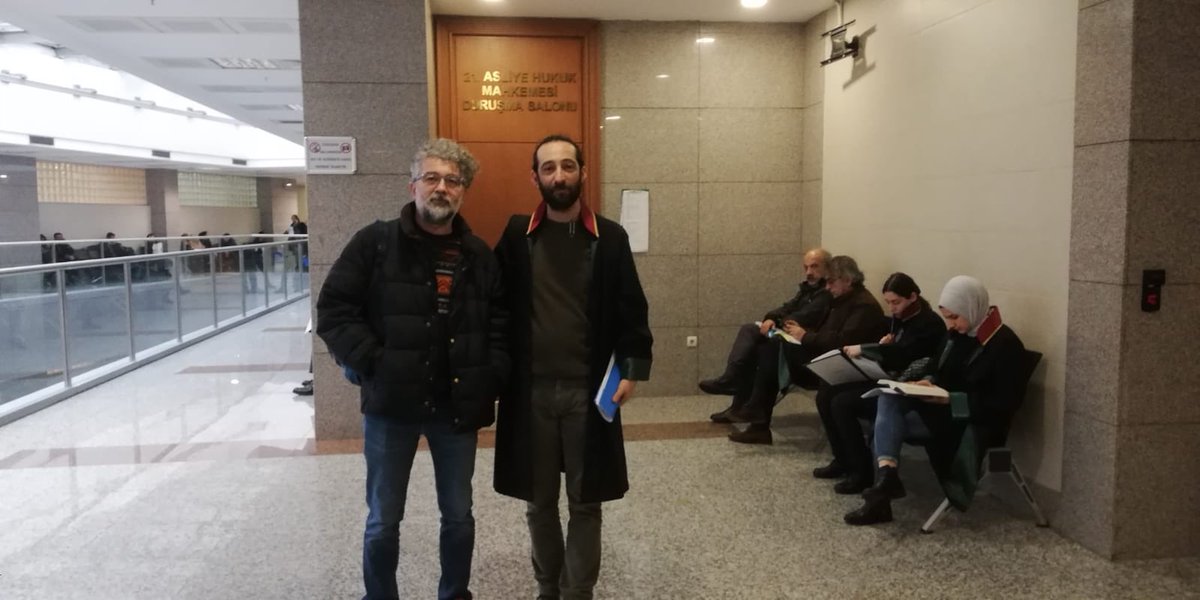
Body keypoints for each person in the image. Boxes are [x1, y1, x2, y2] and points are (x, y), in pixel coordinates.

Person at [316, 138, 508, 600]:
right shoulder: (375, 243)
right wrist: (374, 364)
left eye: (453, 180)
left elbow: (502, 325)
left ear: (463, 191)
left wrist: (491, 377)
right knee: (383, 518)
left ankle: (454, 594)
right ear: (413, 186)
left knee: (458, 515)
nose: (441, 188)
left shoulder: (479, 255)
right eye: (432, 178)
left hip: (456, 408)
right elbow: (335, 310)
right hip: (391, 406)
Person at [493, 134, 653, 600]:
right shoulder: (516, 237)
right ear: (535, 178)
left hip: (589, 393)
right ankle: (548, 588)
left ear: (583, 172)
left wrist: (632, 370)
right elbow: (494, 307)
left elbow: (631, 310)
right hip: (531, 395)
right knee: (539, 502)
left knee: (586, 503)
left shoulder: (610, 238)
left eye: (567, 166)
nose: (559, 175)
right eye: (548, 168)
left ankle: (577, 592)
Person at [843, 275, 1026, 525]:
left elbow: (1004, 403)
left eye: (954, 317)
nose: (950, 325)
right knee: (887, 398)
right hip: (938, 409)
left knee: (883, 426)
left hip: (968, 421)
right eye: (947, 318)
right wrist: (928, 381)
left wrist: (951, 399)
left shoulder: (1004, 344)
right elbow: (938, 368)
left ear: (972, 308)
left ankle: (882, 495)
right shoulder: (956, 335)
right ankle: (887, 479)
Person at [729, 255, 887, 445]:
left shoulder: (863, 306)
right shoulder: (840, 299)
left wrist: (805, 336)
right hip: (826, 357)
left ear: (847, 280)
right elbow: (820, 328)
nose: (827, 287)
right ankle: (755, 416)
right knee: (770, 345)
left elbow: (842, 341)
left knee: (773, 349)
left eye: (830, 282)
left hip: (842, 365)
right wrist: (800, 332)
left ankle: (755, 414)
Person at [812, 272, 945, 493]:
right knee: (827, 390)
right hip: (888, 378)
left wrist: (873, 349)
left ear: (913, 297)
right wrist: (884, 346)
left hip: (906, 389)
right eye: (888, 303)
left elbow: (904, 354)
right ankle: (841, 459)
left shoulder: (929, 323)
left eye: (896, 302)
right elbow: (896, 350)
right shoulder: (901, 319)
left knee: (842, 403)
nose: (892, 308)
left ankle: (861, 471)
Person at [703, 248, 832, 423]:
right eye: (806, 267)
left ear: (827, 268)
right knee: (750, 333)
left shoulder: (827, 294)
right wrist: (771, 317)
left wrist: (776, 321)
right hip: (786, 338)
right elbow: (786, 308)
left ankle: (736, 391)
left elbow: (803, 317)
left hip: (801, 349)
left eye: (814, 267)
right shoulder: (807, 291)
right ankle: (732, 383)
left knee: (761, 349)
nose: (809, 272)